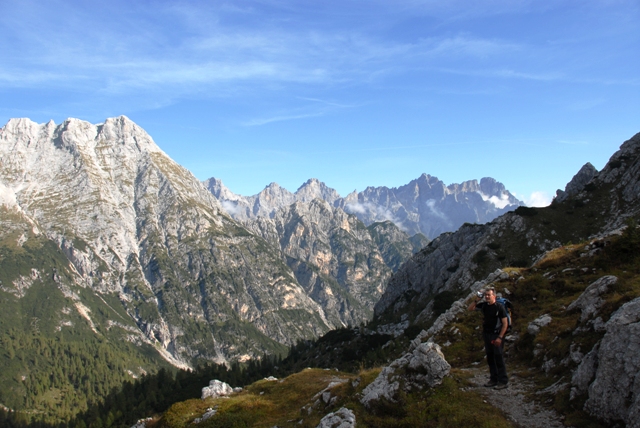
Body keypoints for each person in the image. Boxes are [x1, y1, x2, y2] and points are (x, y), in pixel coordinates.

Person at [467, 286, 509, 389]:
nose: (486, 297)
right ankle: (493, 379)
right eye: (485, 295)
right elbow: (470, 308)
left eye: (489, 295)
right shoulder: (484, 306)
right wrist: (477, 299)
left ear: (494, 296)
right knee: (490, 357)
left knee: (498, 357)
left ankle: (503, 381)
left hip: (496, 335)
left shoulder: (499, 307)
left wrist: (500, 337)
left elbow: (505, 323)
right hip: (487, 334)